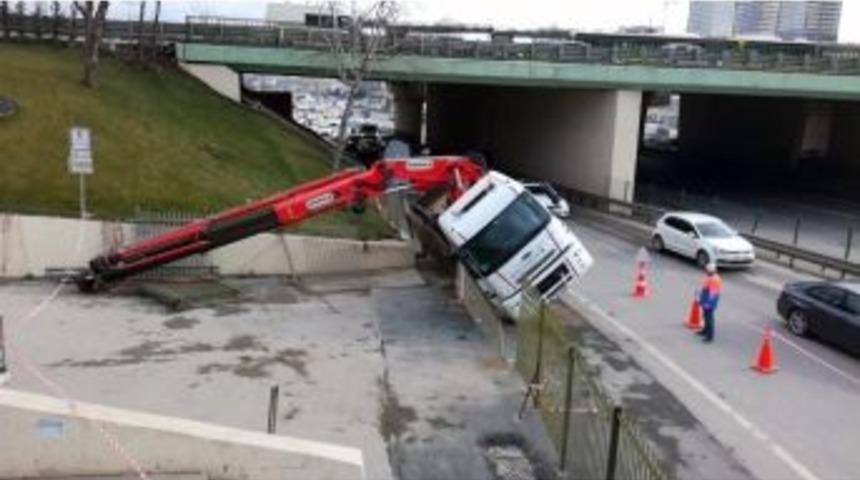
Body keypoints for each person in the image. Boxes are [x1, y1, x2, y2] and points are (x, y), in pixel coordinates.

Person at [698, 262, 722, 343]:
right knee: (705, 316)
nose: (706, 271)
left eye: (707, 270)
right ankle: (705, 330)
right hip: (706, 298)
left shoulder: (714, 279)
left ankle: (709, 336)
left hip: (709, 301)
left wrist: (708, 303)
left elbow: (713, 294)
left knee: (709, 318)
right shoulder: (710, 276)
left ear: (711, 271)